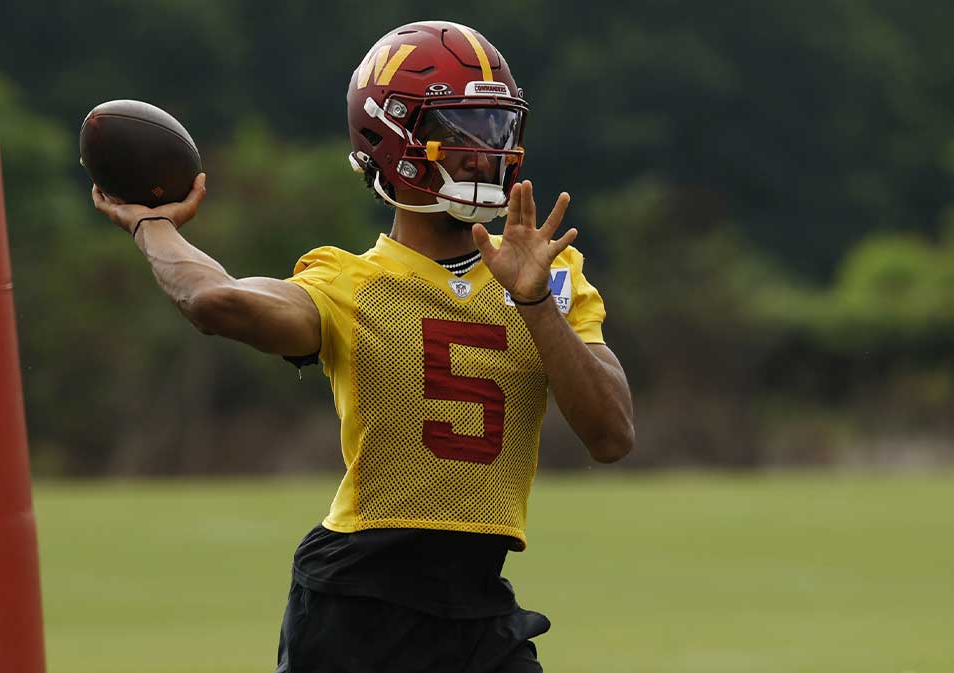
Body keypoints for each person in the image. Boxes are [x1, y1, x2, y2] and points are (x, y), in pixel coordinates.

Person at [90, 20, 634, 673]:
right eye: (461, 129)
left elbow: (612, 435)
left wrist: (534, 302)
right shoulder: (349, 283)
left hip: (481, 605)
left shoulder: (550, 273)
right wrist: (153, 225)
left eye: (496, 127)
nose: (483, 150)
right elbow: (217, 301)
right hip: (361, 604)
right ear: (393, 138)